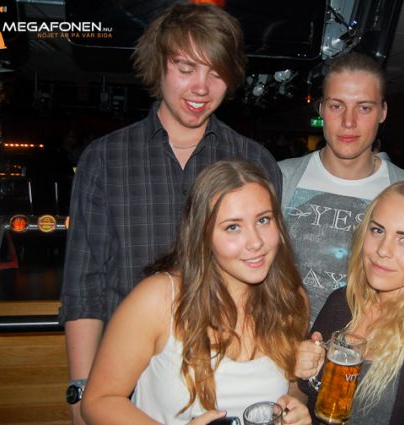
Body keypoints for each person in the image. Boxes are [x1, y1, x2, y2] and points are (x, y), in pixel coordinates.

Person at [59, 4, 282, 424]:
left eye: (215, 72)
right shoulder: (105, 159)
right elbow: (84, 285)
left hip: (224, 379)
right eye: (185, 68)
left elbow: (269, 278)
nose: (201, 87)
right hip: (124, 384)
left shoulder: (254, 162)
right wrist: (82, 391)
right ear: (158, 65)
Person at [81, 160, 310, 425]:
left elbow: (292, 388)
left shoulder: (290, 300)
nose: (256, 242)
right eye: (233, 227)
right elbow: (98, 401)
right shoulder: (159, 299)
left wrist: (294, 409)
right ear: (203, 234)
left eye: (263, 220)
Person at [296, 181, 404, 424]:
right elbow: (315, 397)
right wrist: (307, 368)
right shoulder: (342, 303)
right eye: (377, 230)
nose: (383, 250)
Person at [278, 53, 404, 321]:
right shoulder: (281, 178)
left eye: (364, 108)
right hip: (283, 341)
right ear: (321, 109)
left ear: (383, 112)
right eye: (336, 106)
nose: (348, 121)